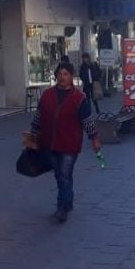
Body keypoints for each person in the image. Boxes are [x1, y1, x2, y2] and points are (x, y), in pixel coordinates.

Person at [29, 61, 102, 223]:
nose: (62, 77)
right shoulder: (47, 95)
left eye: (66, 74)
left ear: (71, 77)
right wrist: (33, 133)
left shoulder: (79, 99)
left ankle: (62, 207)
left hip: (70, 143)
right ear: (56, 76)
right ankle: (67, 201)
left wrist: (94, 139)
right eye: (60, 74)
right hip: (50, 143)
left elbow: (87, 121)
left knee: (64, 175)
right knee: (59, 174)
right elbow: (39, 116)